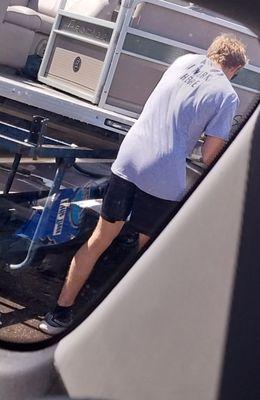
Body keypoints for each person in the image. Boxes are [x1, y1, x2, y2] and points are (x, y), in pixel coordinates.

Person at [39, 34, 248, 334]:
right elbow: (210, 155)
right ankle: (117, 326)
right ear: (234, 68)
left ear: (211, 53)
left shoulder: (183, 61)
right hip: (162, 172)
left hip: (129, 158)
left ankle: (58, 314)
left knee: (99, 239)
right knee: (147, 256)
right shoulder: (228, 95)